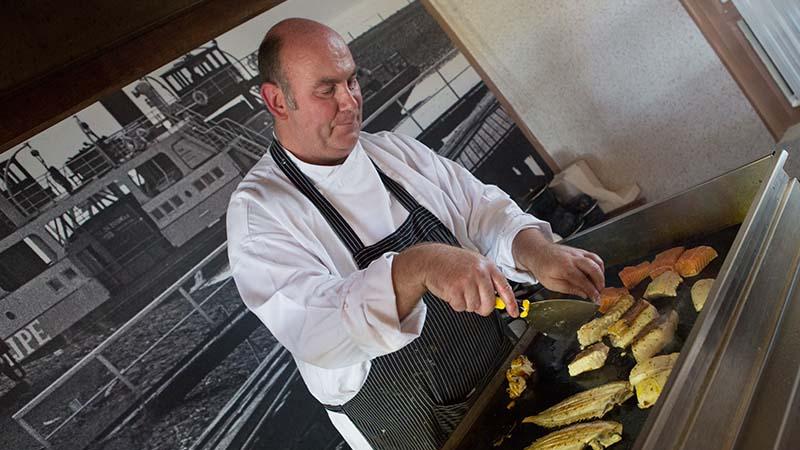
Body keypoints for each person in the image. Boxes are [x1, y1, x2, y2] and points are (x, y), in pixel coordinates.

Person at [227, 18, 605, 450]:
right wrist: (419, 267)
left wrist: (536, 251)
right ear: (277, 101)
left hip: (504, 376)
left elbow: (481, 212)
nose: (349, 102)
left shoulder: (392, 152)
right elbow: (317, 330)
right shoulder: (259, 212)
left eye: (352, 81)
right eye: (326, 90)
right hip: (409, 428)